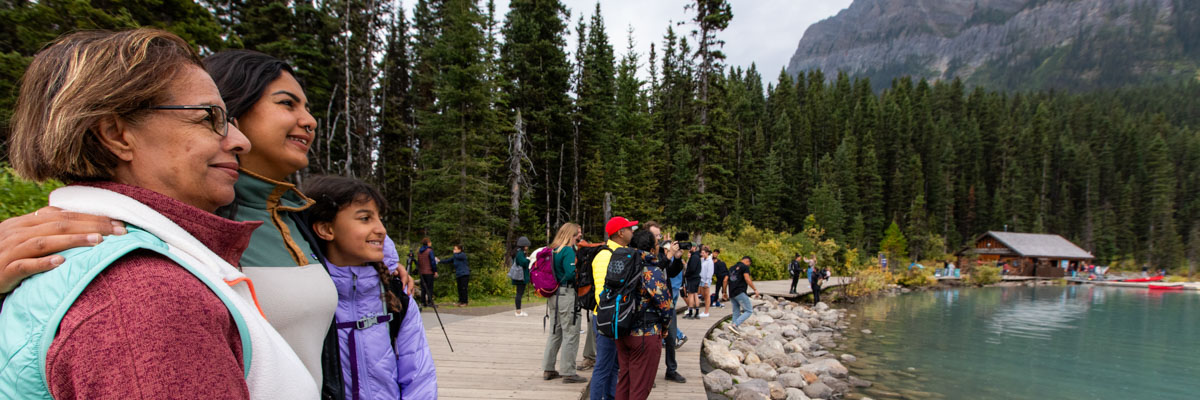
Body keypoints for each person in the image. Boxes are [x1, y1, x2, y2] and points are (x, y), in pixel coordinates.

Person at [0, 46, 418, 397]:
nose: (238, 140)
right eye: (211, 118)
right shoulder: (142, 280)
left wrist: (378, 271)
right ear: (117, 134)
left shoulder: (293, 219)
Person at [303, 175, 437, 399]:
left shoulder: (396, 297)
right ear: (326, 229)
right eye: (365, 218)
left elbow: (419, 377)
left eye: (380, 219)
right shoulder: (304, 296)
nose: (382, 229)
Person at [615, 230, 671, 400]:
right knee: (640, 387)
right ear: (652, 248)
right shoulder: (651, 270)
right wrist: (666, 327)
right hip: (645, 334)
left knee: (624, 381)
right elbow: (665, 305)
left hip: (621, 330)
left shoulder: (622, 264)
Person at [590, 216, 636, 400]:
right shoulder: (605, 255)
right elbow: (602, 293)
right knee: (603, 366)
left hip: (616, 318)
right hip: (606, 319)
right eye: (629, 229)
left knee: (614, 366)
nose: (632, 232)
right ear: (620, 233)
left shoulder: (622, 253)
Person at [542, 223, 588, 384]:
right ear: (571, 235)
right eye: (578, 234)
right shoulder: (568, 250)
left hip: (553, 294)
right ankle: (568, 372)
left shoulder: (554, 249)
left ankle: (548, 368)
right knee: (571, 332)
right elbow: (570, 273)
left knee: (555, 331)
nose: (579, 237)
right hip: (566, 294)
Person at [646, 222, 686, 384]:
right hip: (650, 303)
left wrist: (677, 258)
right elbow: (653, 272)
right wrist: (669, 256)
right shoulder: (644, 254)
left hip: (666, 301)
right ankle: (649, 375)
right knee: (653, 341)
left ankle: (671, 370)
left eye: (659, 235)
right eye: (656, 235)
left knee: (671, 337)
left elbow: (670, 272)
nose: (659, 238)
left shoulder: (662, 253)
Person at [724, 256, 759, 333]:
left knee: (736, 311)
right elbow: (747, 278)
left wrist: (724, 292)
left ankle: (732, 328)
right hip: (740, 291)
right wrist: (755, 289)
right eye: (749, 264)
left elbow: (725, 280)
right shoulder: (745, 267)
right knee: (749, 310)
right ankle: (735, 325)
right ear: (748, 262)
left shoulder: (731, 268)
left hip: (732, 292)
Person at [682, 243, 702, 319]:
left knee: (691, 294)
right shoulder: (697, 256)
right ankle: (697, 312)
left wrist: (686, 274)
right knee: (695, 294)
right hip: (696, 277)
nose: (689, 248)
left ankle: (690, 312)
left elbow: (692, 269)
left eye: (690, 247)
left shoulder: (694, 257)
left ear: (694, 247)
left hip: (692, 278)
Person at [416, 237, 438, 307]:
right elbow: (432, 262)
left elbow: (418, 262)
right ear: (428, 243)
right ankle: (429, 302)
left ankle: (423, 302)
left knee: (423, 288)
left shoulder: (420, 251)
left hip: (422, 272)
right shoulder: (429, 251)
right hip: (429, 272)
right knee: (430, 287)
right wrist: (435, 271)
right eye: (430, 242)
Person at [513, 236, 532, 317]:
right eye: (526, 246)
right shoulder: (520, 253)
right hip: (520, 277)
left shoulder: (519, 252)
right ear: (523, 245)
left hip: (519, 276)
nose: (527, 247)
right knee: (519, 294)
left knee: (519, 293)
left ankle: (518, 310)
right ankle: (518, 311)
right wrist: (529, 260)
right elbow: (523, 263)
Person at [698, 246, 714, 318]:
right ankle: (705, 310)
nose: (702, 254)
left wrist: (707, 281)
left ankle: (706, 311)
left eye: (703, 253)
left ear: (707, 253)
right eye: (701, 253)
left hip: (706, 280)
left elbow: (710, 272)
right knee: (703, 295)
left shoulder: (710, 261)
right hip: (701, 279)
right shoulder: (702, 260)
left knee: (707, 295)